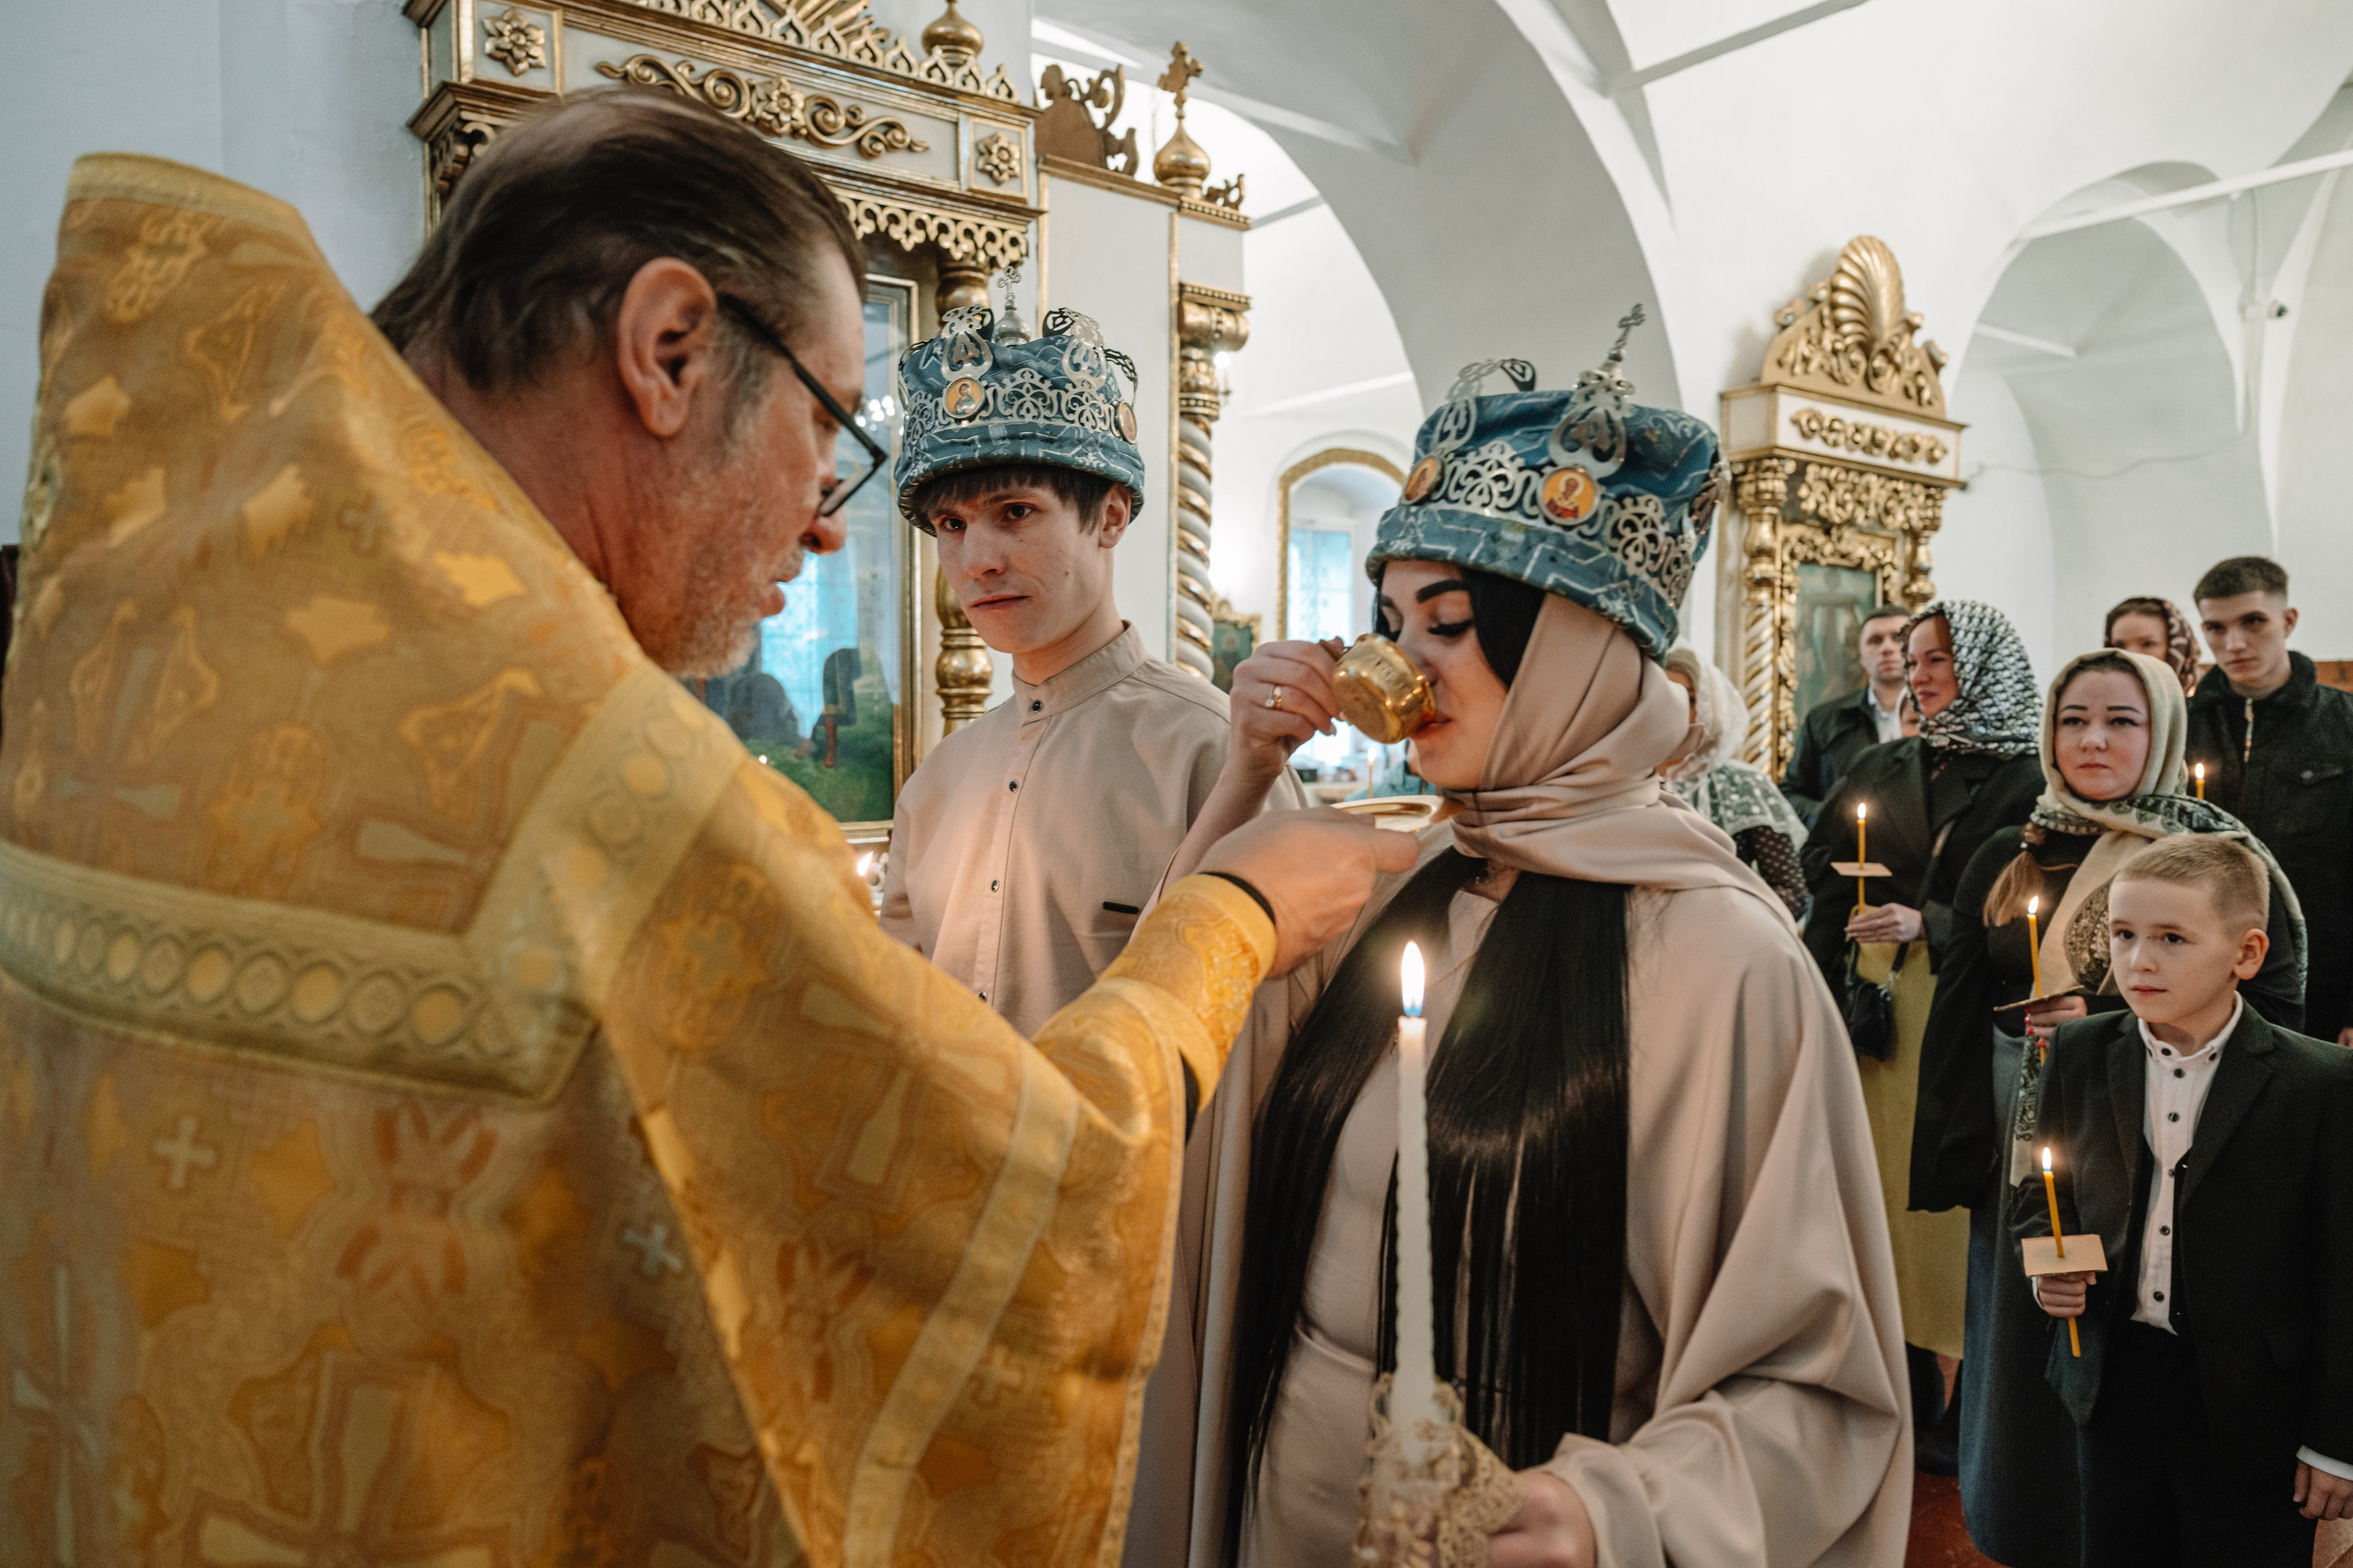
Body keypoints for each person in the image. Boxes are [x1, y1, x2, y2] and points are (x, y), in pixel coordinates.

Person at [0, 106, 1415, 1568]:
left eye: (1006, 510)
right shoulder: (597, 773)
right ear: (668, 350)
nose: (827, 527)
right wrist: (1230, 918)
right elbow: (981, 1191)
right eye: (829, 430)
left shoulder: (154, 628)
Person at [1130, 343, 1909, 1568]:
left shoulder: (1715, 950)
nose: (1402, 668)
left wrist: (1614, 1510)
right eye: (1391, 623)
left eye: (1451, 624)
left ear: (1576, 649)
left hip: (1504, 1514)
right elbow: (1186, 1070)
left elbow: (1809, 1384)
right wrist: (1246, 775)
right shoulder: (1397, 871)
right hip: (1292, 1482)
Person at [1909, 649, 2306, 1566]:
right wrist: (1953, 1141)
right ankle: (2029, 1523)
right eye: (2072, 719)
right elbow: (1961, 1005)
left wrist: (2112, 1019)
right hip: (2019, 1134)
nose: (2092, 740)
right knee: (2021, 1330)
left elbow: (2272, 1002)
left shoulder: (2211, 855)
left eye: (2121, 720)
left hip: (2151, 1134)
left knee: (2115, 1336)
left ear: (2162, 728)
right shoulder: (2014, 846)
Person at [877, 304, 1305, 1037]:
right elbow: (893, 1018)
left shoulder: (1211, 752)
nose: (977, 561)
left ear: (1109, 517)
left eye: (1015, 512)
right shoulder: (940, 780)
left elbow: (1275, 1030)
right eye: (952, 525)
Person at [2026, 835, 2353, 1567]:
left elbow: (2345, 1275)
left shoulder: (2322, 1084)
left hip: (2254, 1405)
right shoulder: (2079, 1051)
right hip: (2113, 1383)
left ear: (2247, 953)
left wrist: (2337, 1440)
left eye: (2171, 938)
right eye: (2123, 934)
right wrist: (2049, 1265)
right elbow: (2042, 1190)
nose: (2139, 961)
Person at [1801, 599, 2043, 1466]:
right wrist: (1821, 966)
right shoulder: (1885, 761)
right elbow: (1825, 869)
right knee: (1881, 1196)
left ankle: (1971, 1393)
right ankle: (1905, 1378)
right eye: (1914, 657)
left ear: (1984, 665)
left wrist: (1930, 921)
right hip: (1880, 1011)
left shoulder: (2030, 777)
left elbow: (2032, 901)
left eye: (1939, 657)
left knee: (1953, 1202)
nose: (1920, 672)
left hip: (1966, 1005)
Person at [2185, 555, 2353, 1045]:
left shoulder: (2343, 726)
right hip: (2203, 974)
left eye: (2253, 622)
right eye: (2215, 628)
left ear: (2288, 620)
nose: (2233, 644)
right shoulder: (2181, 727)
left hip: (2322, 980)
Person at [1663, 645, 1810, 916]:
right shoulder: (1624, 777)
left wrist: (1727, 917)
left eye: (1690, 699)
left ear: (1710, 706)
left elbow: (1792, 892)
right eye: (1666, 696)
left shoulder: (1742, 785)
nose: (1676, 708)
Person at [1781, 602, 1911, 826]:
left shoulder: (1940, 719)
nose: (1887, 648)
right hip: (1843, 842)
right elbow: (1790, 794)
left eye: (1898, 638)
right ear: (1861, 656)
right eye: (1875, 640)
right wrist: (1831, 817)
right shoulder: (1824, 720)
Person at [2104, 596, 2200, 696]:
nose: (2131, 655)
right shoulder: (2101, 698)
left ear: (2179, 649)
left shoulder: (2205, 698)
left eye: (2148, 644)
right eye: (2120, 646)